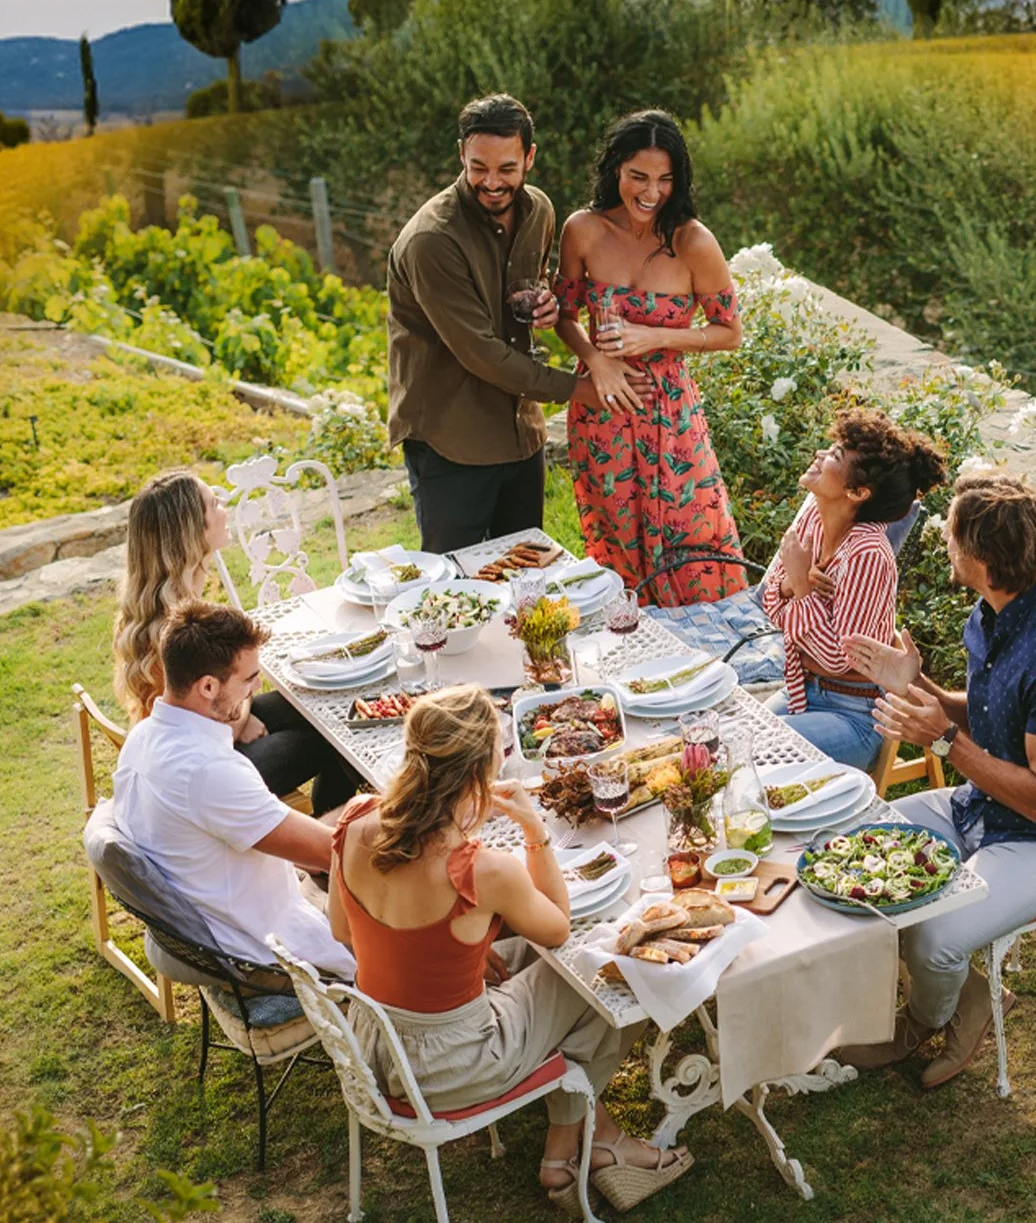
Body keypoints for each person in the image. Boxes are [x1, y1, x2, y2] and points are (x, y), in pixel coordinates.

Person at [328, 685, 687, 1213]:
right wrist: (533, 829)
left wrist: (453, 960)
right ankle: (586, 1145)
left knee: (548, 967)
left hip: (375, 1042)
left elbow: (343, 931)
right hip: (456, 1062)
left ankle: (575, 1140)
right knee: (611, 970)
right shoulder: (477, 869)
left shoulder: (355, 821)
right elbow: (559, 927)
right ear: (478, 775)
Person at [834, 470, 1036, 1087]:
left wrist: (943, 738)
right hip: (982, 806)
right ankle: (970, 995)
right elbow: (990, 710)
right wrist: (914, 685)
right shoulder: (993, 612)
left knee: (934, 935)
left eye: (953, 532)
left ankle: (922, 1018)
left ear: (983, 558)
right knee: (856, 846)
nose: (943, 536)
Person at [554, 110, 744, 606]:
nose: (650, 192)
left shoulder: (693, 242)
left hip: (671, 411)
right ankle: (634, 654)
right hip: (602, 409)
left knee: (694, 531)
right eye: (638, 176)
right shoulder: (582, 230)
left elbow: (729, 333)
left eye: (664, 179)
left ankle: (714, 652)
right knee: (616, 535)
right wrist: (596, 360)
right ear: (615, 168)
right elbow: (564, 314)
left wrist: (651, 336)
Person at [108, 603, 356, 977]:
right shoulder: (209, 772)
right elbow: (336, 854)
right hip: (264, 949)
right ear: (207, 686)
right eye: (249, 678)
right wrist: (382, 806)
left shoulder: (142, 737)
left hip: (226, 909)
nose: (257, 687)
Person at [386, 94, 588, 553]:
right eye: (479, 167)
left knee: (523, 576)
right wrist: (578, 389)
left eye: (507, 169)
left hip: (520, 434)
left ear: (530, 158)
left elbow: (533, 285)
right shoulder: (431, 241)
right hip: (449, 438)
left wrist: (547, 305)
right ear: (461, 154)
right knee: (452, 587)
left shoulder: (538, 211)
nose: (492, 182)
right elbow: (482, 353)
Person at [111, 468, 362, 815]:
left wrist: (241, 716)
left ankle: (333, 827)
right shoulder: (172, 628)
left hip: (217, 725)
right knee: (335, 735)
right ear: (191, 532)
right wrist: (241, 721)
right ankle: (333, 840)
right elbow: (199, 726)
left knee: (319, 700)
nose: (224, 508)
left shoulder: (164, 600)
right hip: (207, 769)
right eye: (214, 504)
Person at [758, 410, 950, 769]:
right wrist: (791, 585)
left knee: (756, 753)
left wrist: (800, 586)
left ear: (857, 492)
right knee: (732, 735)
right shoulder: (813, 518)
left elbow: (834, 657)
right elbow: (770, 605)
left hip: (855, 717)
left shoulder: (868, 554)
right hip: (803, 692)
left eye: (833, 456)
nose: (819, 455)